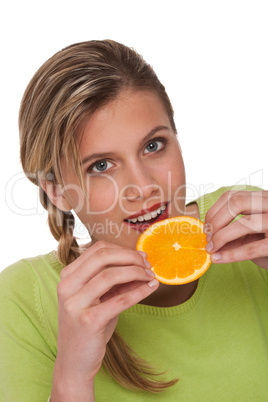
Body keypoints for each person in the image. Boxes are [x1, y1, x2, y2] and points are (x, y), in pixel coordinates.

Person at [0, 40, 267, 402]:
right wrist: (72, 377)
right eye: (101, 166)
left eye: (153, 146)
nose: (144, 187)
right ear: (58, 191)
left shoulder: (249, 225)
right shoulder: (22, 300)